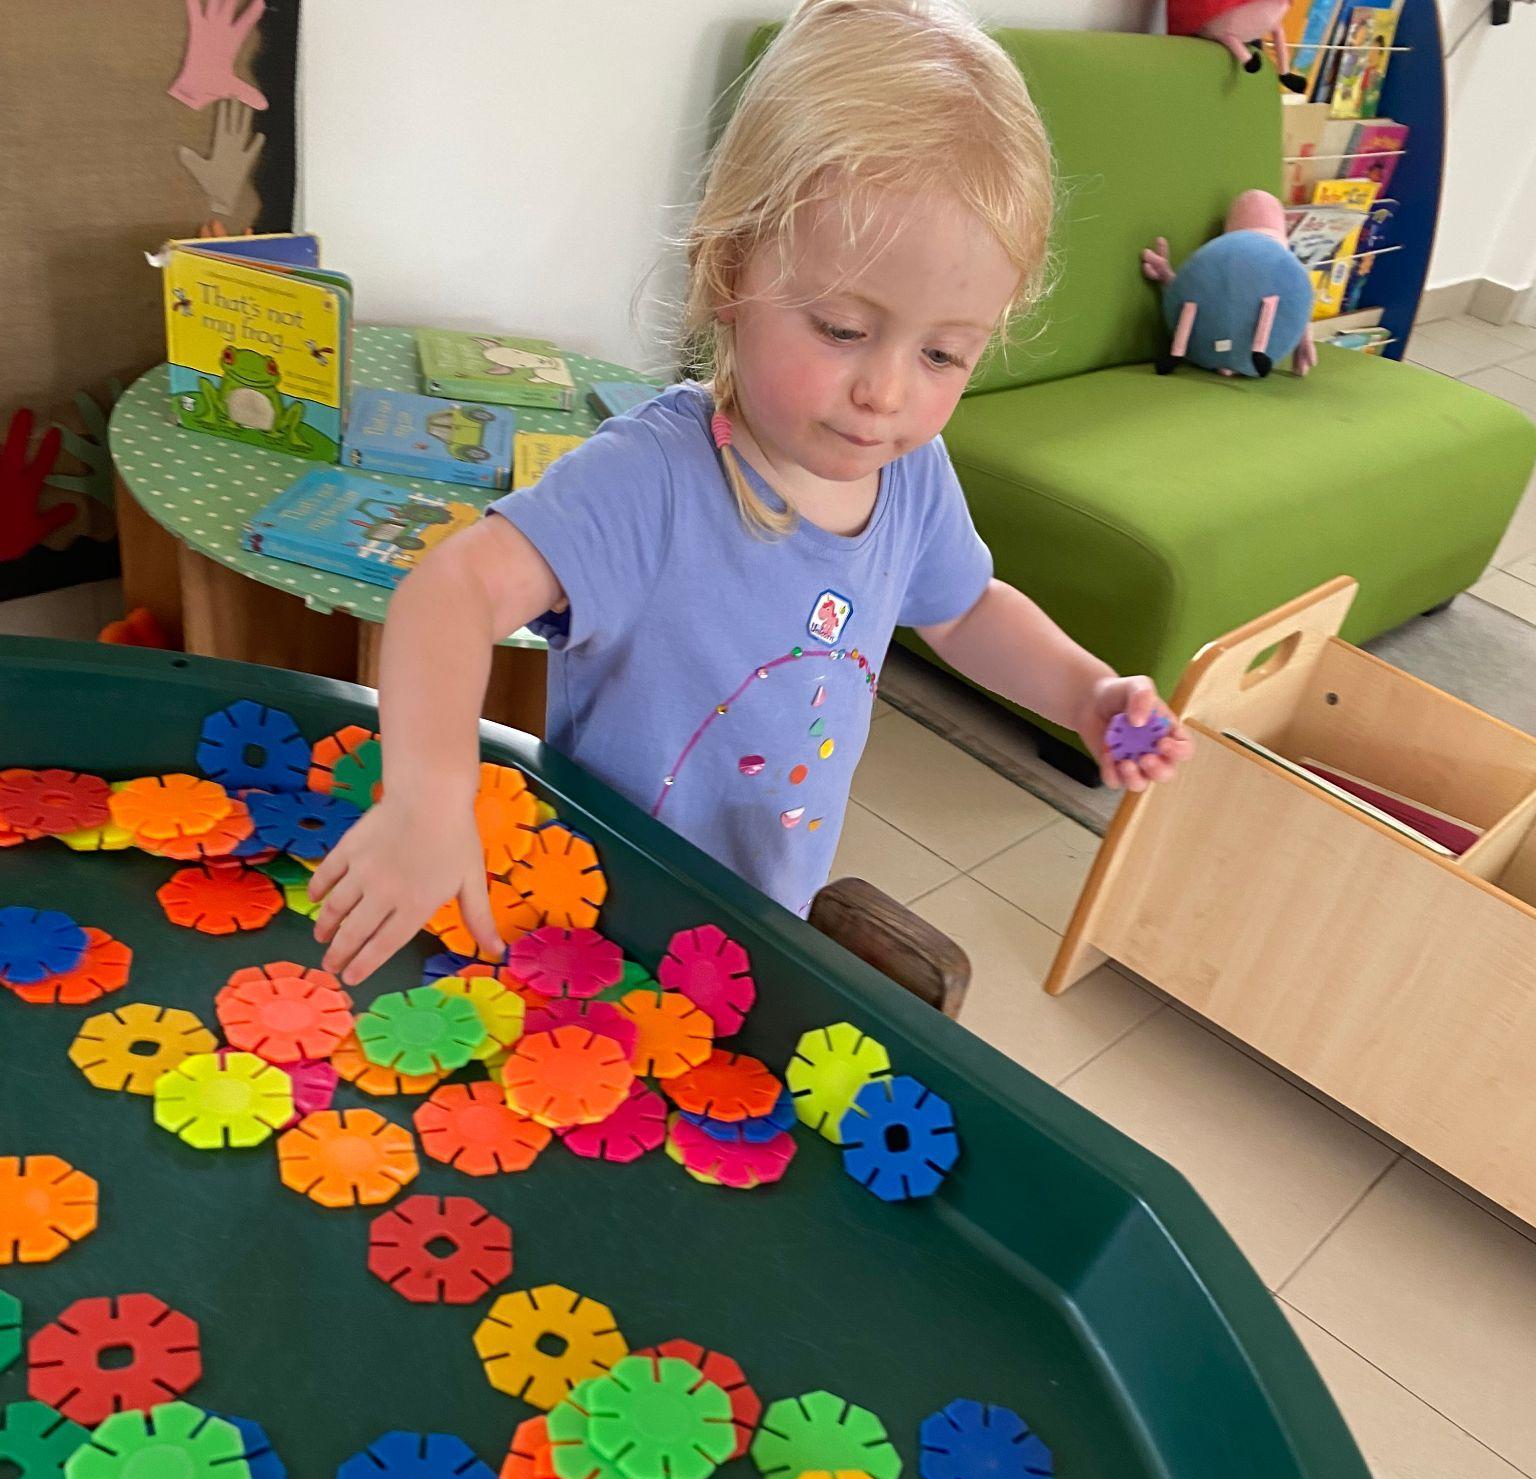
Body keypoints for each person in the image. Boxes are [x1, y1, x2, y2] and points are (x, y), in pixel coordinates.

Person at [312, 0, 1192, 984]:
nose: (886, 393)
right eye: (843, 329)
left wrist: (1084, 692)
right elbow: (452, 590)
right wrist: (428, 798)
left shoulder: (910, 477)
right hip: (588, 923)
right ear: (732, 268)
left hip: (753, 929)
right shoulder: (653, 478)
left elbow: (966, 610)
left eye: (944, 353)